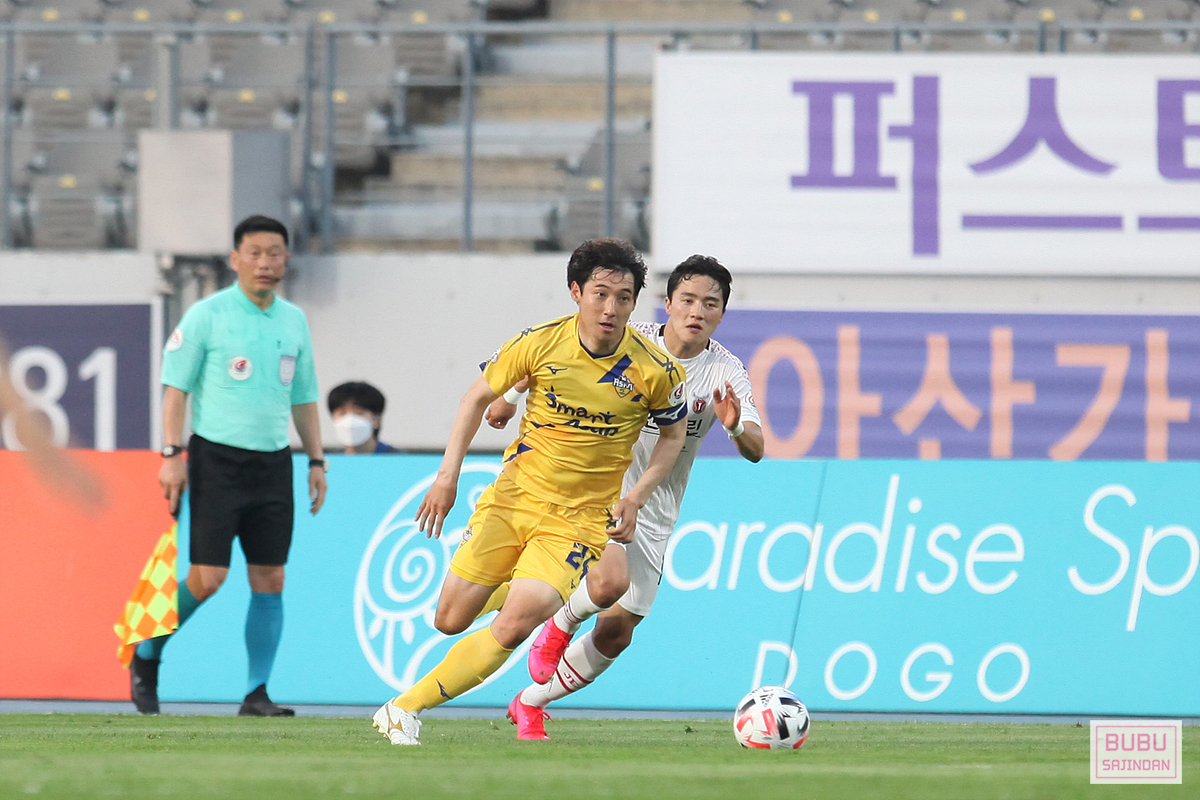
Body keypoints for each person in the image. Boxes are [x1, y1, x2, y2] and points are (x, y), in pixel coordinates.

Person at [372, 238, 689, 746]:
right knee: (449, 620)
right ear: (576, 292)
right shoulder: (539, 343)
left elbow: (673, 436)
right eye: (600, 294)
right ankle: (517, 587)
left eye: (624, 297)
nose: (611, 309)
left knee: (517, 623)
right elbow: (475, 398)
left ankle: (404, 708)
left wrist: (636, 496)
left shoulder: (657, 370)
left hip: (579, 519)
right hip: (513, 500)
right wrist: (447, 478)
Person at [493, 255, 764, 740]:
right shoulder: (628, 338)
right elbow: (550, 359)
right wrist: (508, 398)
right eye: (687, 300)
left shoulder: (725, 372)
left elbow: (757, 450)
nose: (697, 311)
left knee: (618, 632)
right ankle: (558, 625)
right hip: (598, 484)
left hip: (655, 506)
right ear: (667, 303)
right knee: (605, 581)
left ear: (722, 313)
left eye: (710, 304)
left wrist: (734, 426)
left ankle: (530, 701)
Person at [132, 214, 328, 717]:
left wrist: (317, 460)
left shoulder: (294, 320)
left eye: (274, 253)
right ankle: (147, 650)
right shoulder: (207, 314)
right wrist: (171, 455)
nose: (265, 262)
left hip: (273, 463)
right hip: (216, 460)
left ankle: (256, 694)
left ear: (286, 260)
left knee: (271, 578)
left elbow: (304, 397)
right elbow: (175, 390)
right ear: (235, 259)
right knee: (208, 578)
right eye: (255, 253)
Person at [327, 381, 398, 454]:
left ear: (376, 420)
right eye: (342, 413)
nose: (350, 420)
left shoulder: (396, 458)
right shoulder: (329, 458)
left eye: (359, 413)